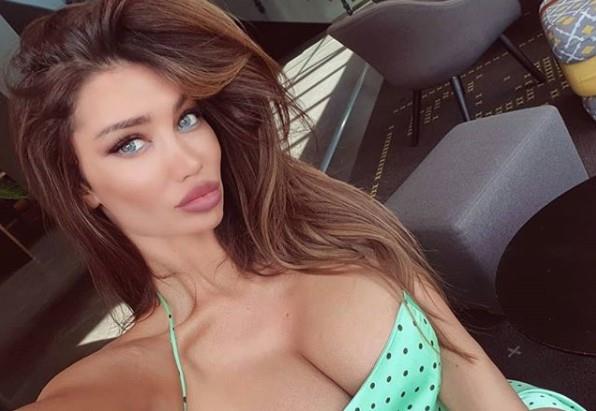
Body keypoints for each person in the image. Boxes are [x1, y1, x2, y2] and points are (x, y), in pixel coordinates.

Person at [5, 0, 586, 410]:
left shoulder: (323, 222)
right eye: (130, 143)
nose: (188, 160)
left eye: (186, 117)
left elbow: (469, 367)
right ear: (80, 185)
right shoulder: (130, 379)